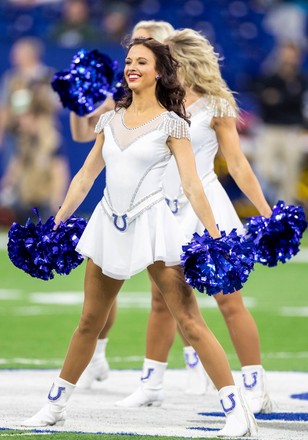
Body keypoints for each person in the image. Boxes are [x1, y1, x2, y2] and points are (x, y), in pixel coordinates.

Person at [21, 37, 257, 438]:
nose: (131, 67)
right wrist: (57, 223)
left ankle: (236, 412)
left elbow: (192, 185)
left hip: (154, 225)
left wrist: (215, 237)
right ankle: (53, 406)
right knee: (88, 323)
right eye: (129, 62)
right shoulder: (111, 119)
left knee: (190, 319)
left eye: (141, 63)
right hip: (108, 223)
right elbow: (84, 177)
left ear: (159, 72)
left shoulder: (172, 123)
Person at [115, 29, 273, 414]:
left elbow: (237, 164)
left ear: (183, 62)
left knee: (228, 300)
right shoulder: (155, 102)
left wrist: (266, 212)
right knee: (163, 301)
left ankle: (255, 385)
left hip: (205, 207)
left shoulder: (217, 104)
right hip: (162, 207)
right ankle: (152, 382)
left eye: (166, 59)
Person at [69, 20, 175, 389]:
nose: (139, 51)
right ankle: (96, 353)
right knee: (103, 290)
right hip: (126, 205)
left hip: (174, 200)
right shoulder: (122, 96)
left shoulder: (181, 96)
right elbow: (84, 135)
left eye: (149, 43)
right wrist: (77, 101)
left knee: (169, 297)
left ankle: (168, 373)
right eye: (135, 45)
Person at [253, 40, 308, 205]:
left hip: (293, 130)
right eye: (285, 54)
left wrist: (279, 99)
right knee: (265, 170)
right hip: (270, 129)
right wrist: (285, 100)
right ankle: (273, 199)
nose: (288, 58)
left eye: (292, 55)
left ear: (298, 57)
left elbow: (301, 106)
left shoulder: (301, 80)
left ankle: (285, 213)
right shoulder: (269, 78)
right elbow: (263, 101)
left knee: (291, 173)